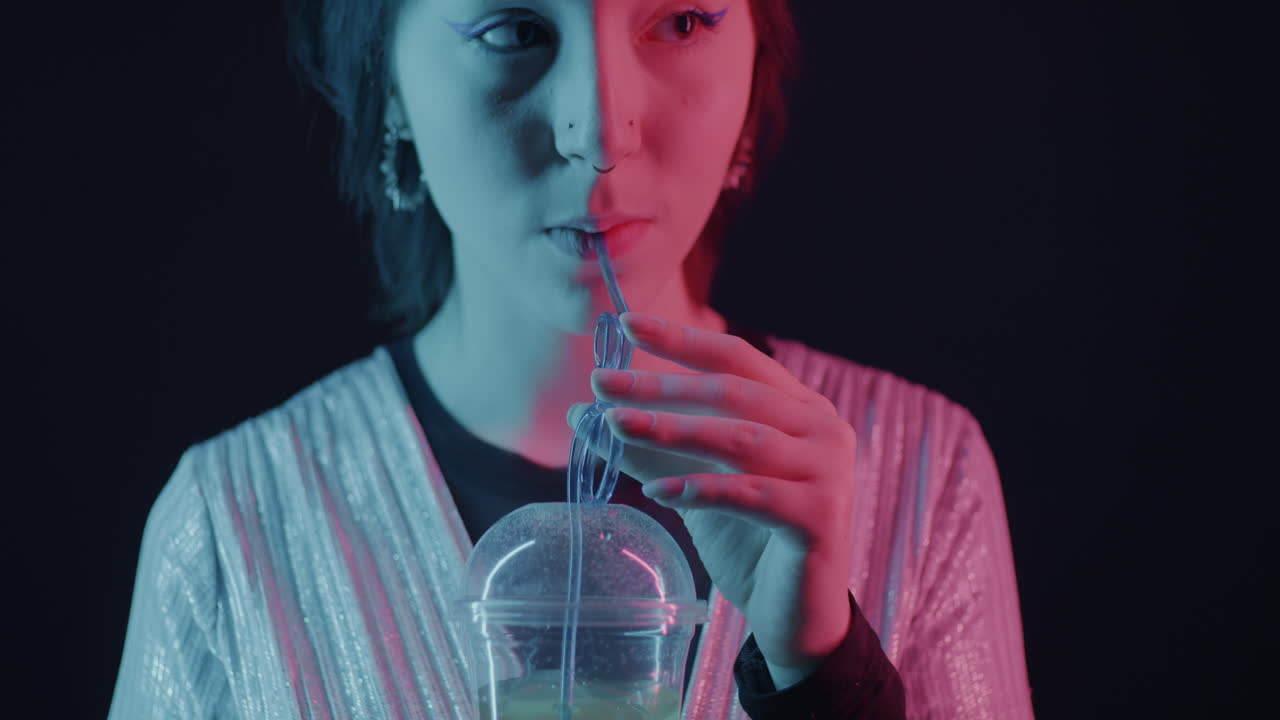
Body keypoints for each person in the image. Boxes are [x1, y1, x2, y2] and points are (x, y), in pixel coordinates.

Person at [107, 0, 1036, 718]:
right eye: (515, 28)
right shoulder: (232, 524)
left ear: (756, 60)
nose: (601, 130)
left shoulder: (923, 469)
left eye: (680, 20)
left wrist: (823, 676)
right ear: (386, 82)